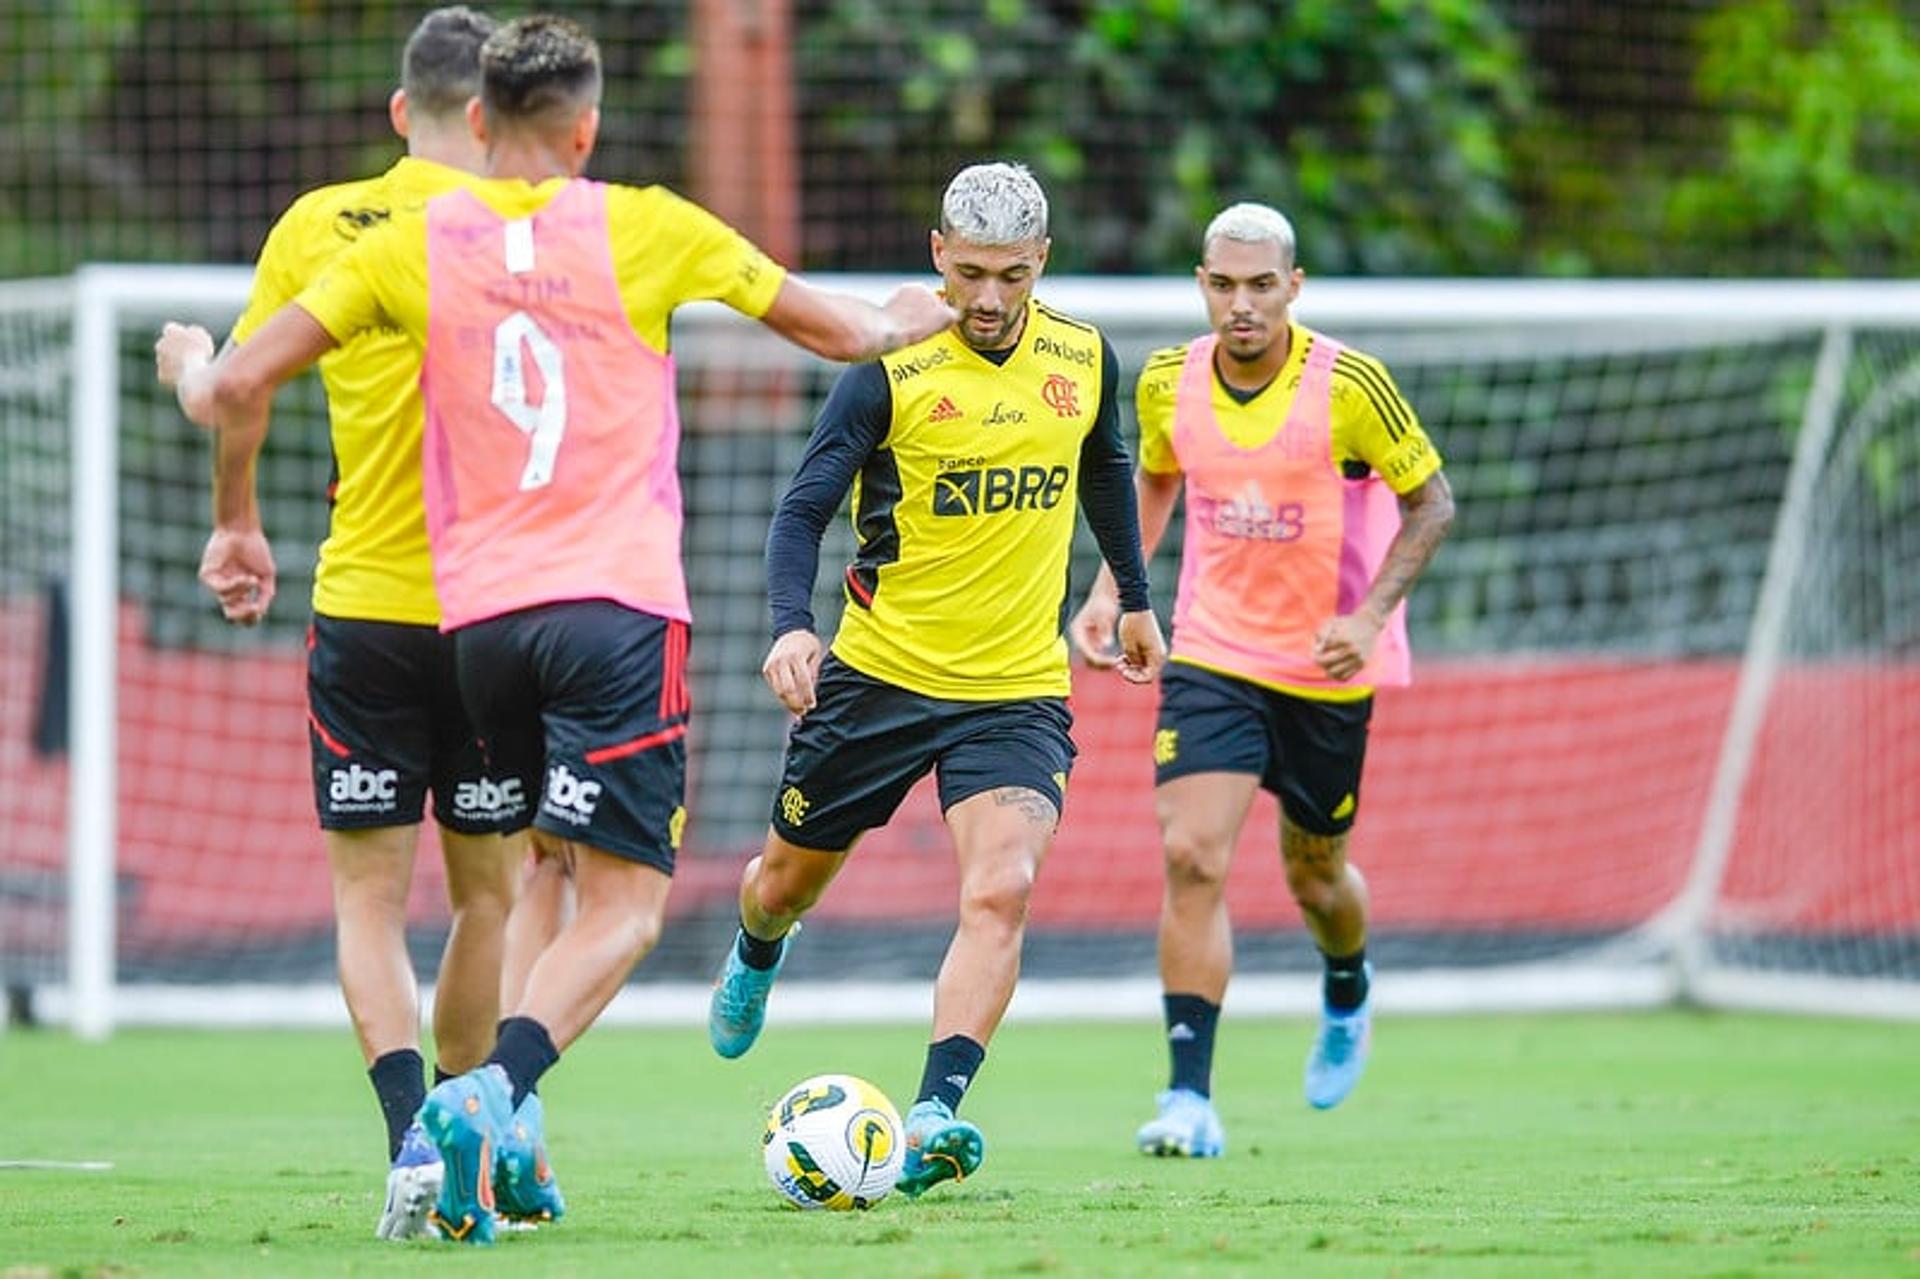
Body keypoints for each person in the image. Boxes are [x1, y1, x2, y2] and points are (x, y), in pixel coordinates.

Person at [174, 13, 954, 1245]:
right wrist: (914, 310)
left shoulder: (415, 240)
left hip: (478, 625)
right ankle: (485, 1096)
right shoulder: (647, 223)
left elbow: (229, 387)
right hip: (615, 608)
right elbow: (849, 331)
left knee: (528, 870)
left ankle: (489, 1127)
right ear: (587, 129)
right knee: (623, 908)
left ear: (476, 127)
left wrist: (184, 366)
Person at [706, 161, 1167, 1199]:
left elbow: (1103, 468)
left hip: (1014, 690)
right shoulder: (889, 368)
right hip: (876, 679)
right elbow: (800, 510)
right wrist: (790, 627)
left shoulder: (1084, 358)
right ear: (936, 257)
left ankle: (931, 1115)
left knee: (1002, 889)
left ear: (1042, 261)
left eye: (1011, 274)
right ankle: (755, 951)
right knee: (783, 886)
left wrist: (1133, 597)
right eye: (969, 274)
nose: (991, 299)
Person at [153, 7, 537, 1241]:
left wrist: (239, 520)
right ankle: (477, 1143)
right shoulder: (534, 227)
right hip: (500, 617)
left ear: (399, 114)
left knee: (368, 902)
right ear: (493, 118)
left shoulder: (323, 223)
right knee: (491, 896)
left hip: (365, 606)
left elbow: (241, 388)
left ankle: (410, 1144)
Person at [1070, 202, 1454, 1157]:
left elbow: (1432, 504)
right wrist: (1112, 589)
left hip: (1323, 670)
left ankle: (1347, 982)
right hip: (1212, 653)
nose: (1242, 304)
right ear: (1203, 283)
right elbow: (1154, 477)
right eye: (1224, 284)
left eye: (1261, 285)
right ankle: (1188, 1098)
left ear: (1294, 286)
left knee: (1315, 878)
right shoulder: (1167, 379)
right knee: (1192, 853)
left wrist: (1366, 620)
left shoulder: (1352, 384)